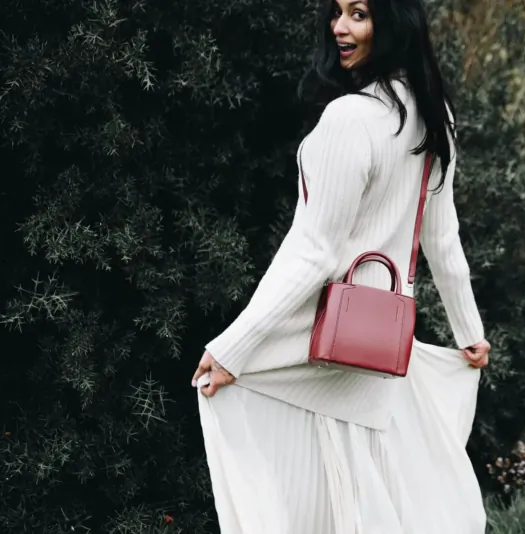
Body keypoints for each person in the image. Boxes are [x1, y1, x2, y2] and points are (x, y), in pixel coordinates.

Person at [192, 0, 491, 531]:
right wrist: (470, 331)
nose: (339, 28)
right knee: (363, 499)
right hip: (379, 346)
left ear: (395, 21)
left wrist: (232, 347)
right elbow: (442, 238)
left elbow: (315, 251)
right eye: (337, 12)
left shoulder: (350, 118)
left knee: (313, 499)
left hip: (321, 340)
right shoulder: (433, 115)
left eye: (359, 13)